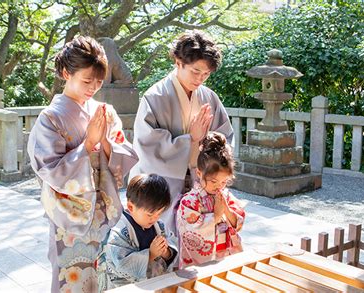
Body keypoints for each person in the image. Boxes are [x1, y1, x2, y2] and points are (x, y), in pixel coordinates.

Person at [27, 36, 138, 292]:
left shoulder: (105, 111)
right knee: (71, 278)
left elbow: (123, 151)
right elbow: (50, 170)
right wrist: (88, 144)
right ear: (67, 73)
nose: (93, 88)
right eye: (87, 81)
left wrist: (105, 144)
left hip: (103, 211)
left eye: (99, 82)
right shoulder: (51, 118)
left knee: (104, 275)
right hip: (69, 215)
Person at [129, 30, 234, 235]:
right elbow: (148, 146)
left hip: (201, 182)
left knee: (199, 240)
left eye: (206, 74)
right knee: (162, 243)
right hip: (162, 186)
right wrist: (191, 140)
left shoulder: (209, 97)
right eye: (196, 71)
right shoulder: (155, 97)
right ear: (178, 62)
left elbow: (225, 139)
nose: (200, 79)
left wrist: (210, 152)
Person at [176, 132, 245, 269]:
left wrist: (226, 209)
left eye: (224, 181)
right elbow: (188, 232)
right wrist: (216, 216)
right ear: (199, 173)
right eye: (214, 181)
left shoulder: (225, 196)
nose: (219, 186)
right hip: (201, 262)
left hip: (225, 253)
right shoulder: (189, 201)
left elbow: (238, 222)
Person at [97, 174, 178, 290]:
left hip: (153, 282)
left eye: (159, 214)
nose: (155, 218)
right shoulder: (120, 229)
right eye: (150, 214)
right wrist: (151, 254)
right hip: (127, 287)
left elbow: (172, 241)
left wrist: (166, 252)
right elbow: (121, 264)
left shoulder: (159, 225)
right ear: (130, 207)